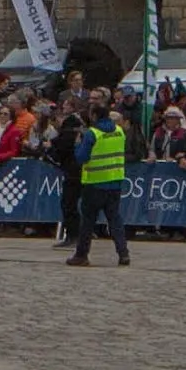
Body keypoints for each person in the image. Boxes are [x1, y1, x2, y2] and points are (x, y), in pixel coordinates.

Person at [60, 98, 131, 267]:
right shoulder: (120, 131)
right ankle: (124, 253)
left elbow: (81, 158)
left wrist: (78, 144)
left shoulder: (92, 133)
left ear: (93, 116)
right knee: (115, 219)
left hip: (95, 184)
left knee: (88, 222)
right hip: (115, 181)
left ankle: (81, 255)